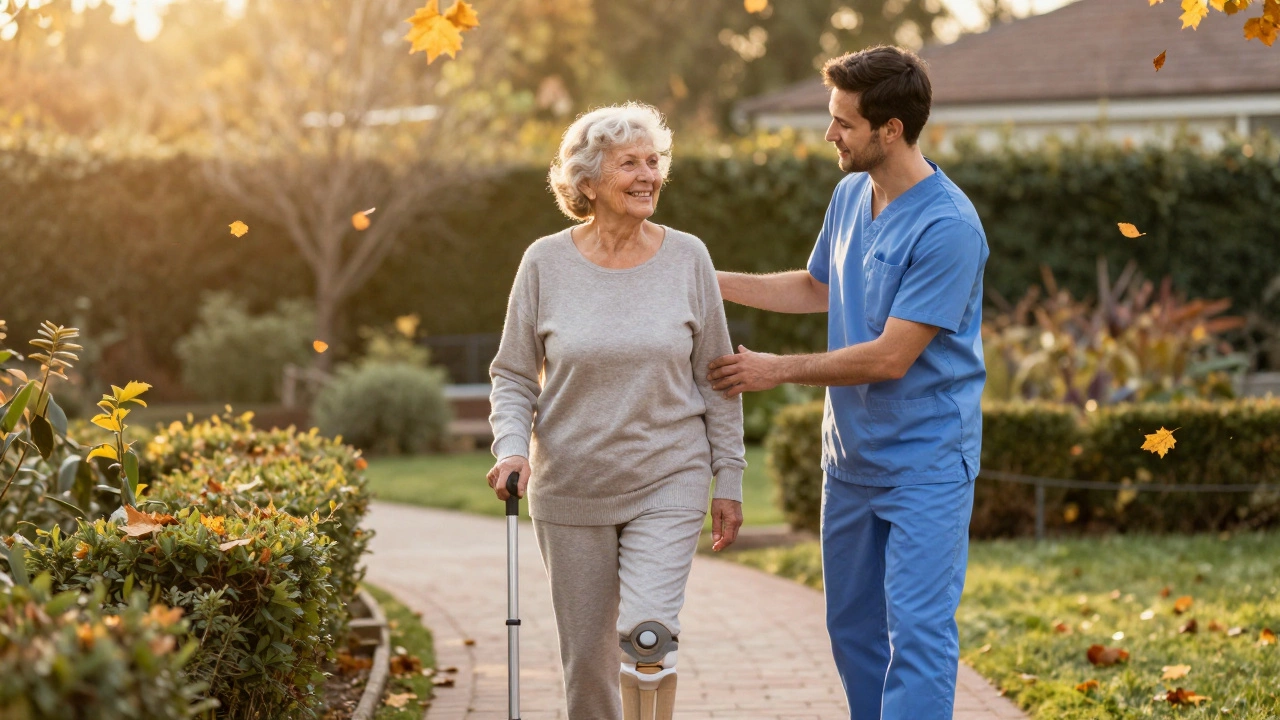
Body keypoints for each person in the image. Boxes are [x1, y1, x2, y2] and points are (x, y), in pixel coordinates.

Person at [706, 46, 989, 720]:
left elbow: (892, 356)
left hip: (925, 462)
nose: (829, 134)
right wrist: (699, 279)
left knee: (917, 636)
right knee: (853, 631)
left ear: (890, 129)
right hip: (851, 459)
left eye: (843, 123)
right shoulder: (849, 194)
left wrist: (777, 370)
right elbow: (815, 286)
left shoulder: (948, 226)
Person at [486, 102, 747, 720]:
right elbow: (513, 374)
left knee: (646, 632)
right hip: (572, 485)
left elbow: (718, 377)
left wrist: (727, 479)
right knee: (587, 663)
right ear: (587, 181)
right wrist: (511, 448)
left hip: (668, 474)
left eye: (654, 161)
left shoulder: (689, 258)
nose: (648, 175)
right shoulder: (544, 263)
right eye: (629, 163)